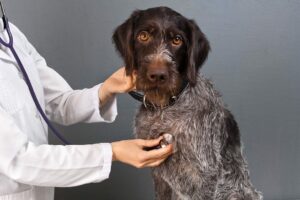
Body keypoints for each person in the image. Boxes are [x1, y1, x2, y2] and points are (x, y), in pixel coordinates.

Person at [0, 11, 173, 200]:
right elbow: (20, 162)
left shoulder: (11, 34)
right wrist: (113, 152)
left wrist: (107, 88)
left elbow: (59, 102)